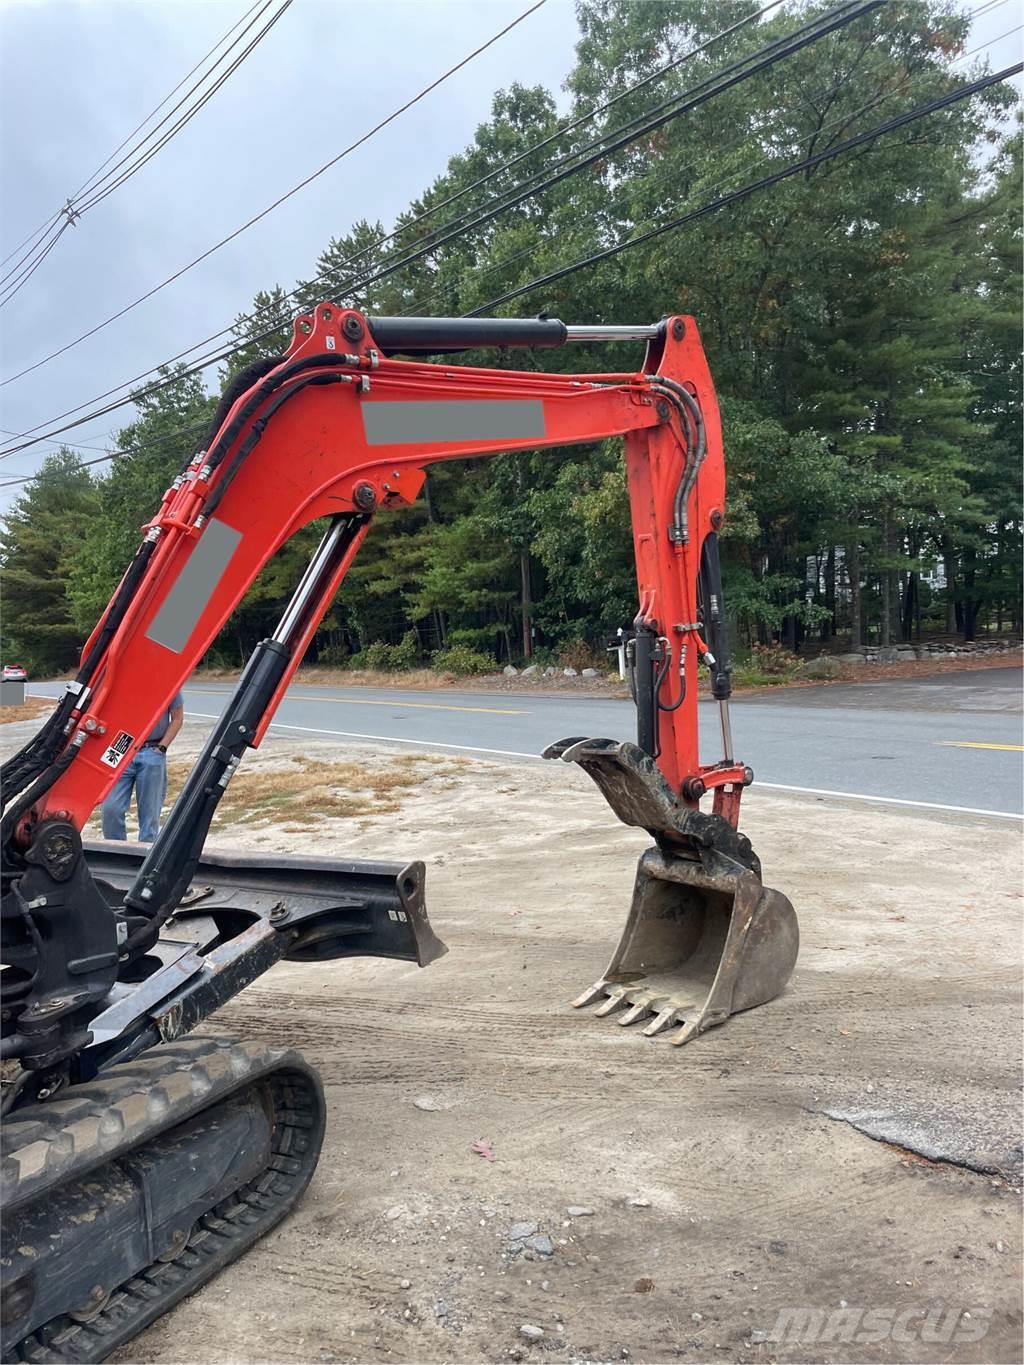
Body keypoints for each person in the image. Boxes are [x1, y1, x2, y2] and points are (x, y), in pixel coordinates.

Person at [101, 693, 184, 842]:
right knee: (110, 809)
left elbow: (177, 718)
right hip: (120, 748)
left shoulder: (168, 680)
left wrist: (162, 748)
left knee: (149, 815)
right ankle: (116, 852)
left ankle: (145, 857)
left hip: (151, 749)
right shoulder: (123, 678)